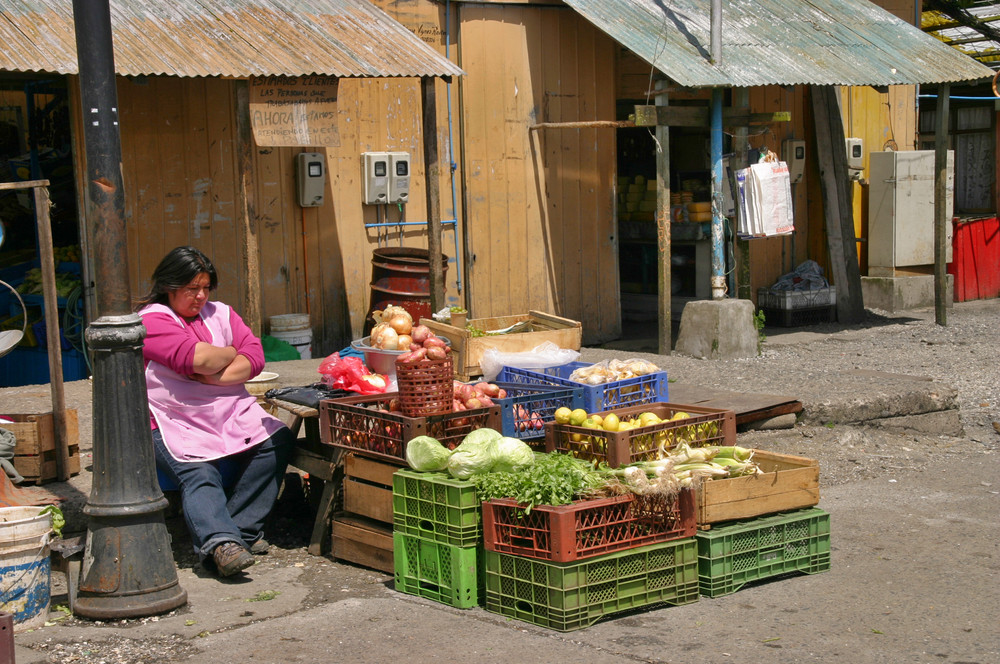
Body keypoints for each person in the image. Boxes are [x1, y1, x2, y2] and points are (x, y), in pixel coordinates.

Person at [135, 246, 294, 577]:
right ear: (168, 286)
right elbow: (195, 359)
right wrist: (229, 351)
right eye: (192, 289)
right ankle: (220, 542)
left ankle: (238, 534)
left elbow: (254, 357)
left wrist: (215, 371)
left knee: (277, 439)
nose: (200, 296)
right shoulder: (151, 320)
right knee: (198, 471)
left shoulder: (221, 313)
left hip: (227, 409)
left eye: (205, 288)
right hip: (170, 418)